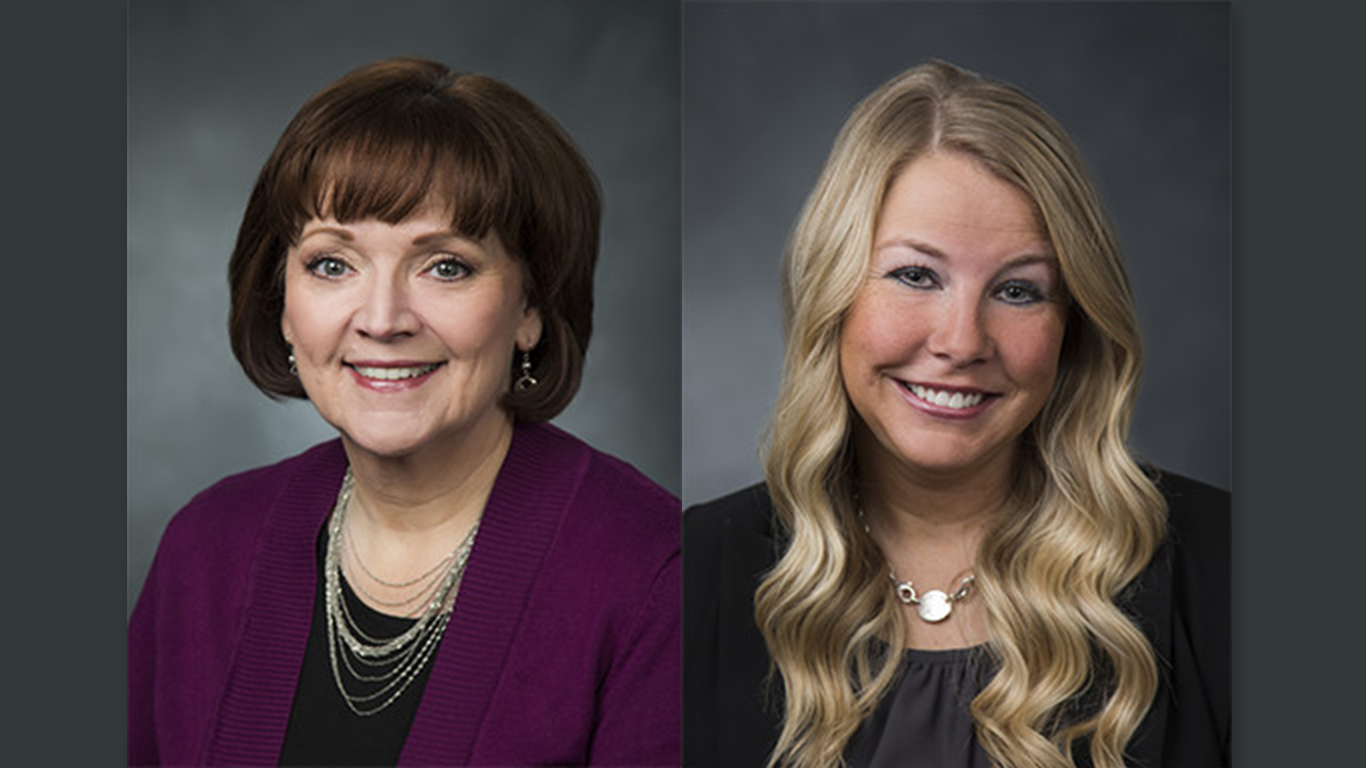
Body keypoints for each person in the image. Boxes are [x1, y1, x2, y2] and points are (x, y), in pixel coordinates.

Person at [128, 58, 681, 767]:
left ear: (531, 310)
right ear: (281, 302)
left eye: (445, 265)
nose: (383, 320)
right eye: (333, 263)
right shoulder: (206, 548)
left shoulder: (651, 574)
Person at [684, 61, 1229, 768]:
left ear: (1074, 325)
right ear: (833, 292)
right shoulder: (685, 570)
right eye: (916, 275)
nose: (962, 342)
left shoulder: (1234, 569)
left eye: (1019, 291)